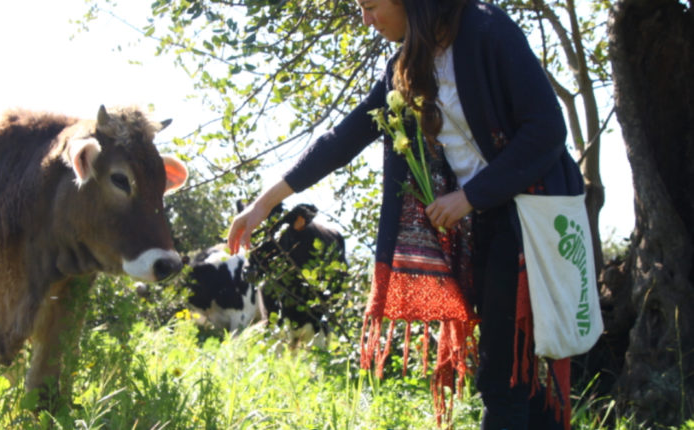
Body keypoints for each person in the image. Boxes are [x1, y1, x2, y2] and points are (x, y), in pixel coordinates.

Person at [227, 1, 584, 429]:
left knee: (502, 377)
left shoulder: (487, 30)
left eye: (371, 5)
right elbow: (344, 138)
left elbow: (546, 128)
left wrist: (470, 196)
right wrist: (265, 202)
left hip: (535, 216)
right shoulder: (405, 66)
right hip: (487, 224)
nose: (366, 19)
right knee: (515, 375)